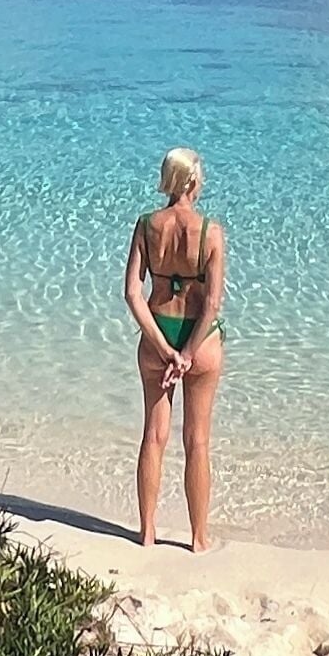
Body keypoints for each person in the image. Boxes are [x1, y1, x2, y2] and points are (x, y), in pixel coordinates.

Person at [122, 144, 227, 550]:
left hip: (157, 332)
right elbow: (213, 302)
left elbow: (133, 293)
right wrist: (185, 354)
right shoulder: (210, 233)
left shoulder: (147, 226)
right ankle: (199, 539)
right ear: (193, 181)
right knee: (197, 441)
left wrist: (162, 347)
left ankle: (146, 533)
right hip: (200, 341)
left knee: (154, 435)